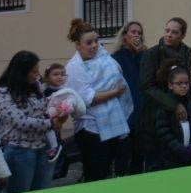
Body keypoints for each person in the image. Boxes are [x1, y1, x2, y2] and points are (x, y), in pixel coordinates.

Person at [66, 19, 133, 182]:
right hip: (91, 129)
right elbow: (89, 98)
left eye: (96, 41)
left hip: (111, 123)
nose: (95, 46)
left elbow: (115, 72)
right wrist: (115, 91)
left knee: (107, 173)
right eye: (89, 43)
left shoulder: (102, 57)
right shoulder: (74, 67)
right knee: (96, 175)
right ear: (78, 45)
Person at [0, 51, 61, 193]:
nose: (37, 74)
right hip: (20, 151)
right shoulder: (3, 93)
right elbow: (20, 121)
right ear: (21, 72)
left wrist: (58, 113)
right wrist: (50, 123)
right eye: (33, 71)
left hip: (43, 148)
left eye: (37, 70)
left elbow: (43, 110)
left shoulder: (35, 87)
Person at [143, 66, 191, 171]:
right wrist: (179, 149)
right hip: (170, 159)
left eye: (186, 83)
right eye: (179, 83)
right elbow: (163, 132)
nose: (184, 86)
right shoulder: (164, 107)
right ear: (170, 85)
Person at [110, 21, 145, 176]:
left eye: (139, 33)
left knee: (139, 158)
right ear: (125, 36)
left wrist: (141, 54)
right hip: (124, 115)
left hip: (141, 114)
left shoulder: (144, 55)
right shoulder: (116, 58)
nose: (137, 35)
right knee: (122, 157)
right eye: (133, 32)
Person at [41, 63, 67, 162]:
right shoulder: (46, 90)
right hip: (47, 118)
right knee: (50, 131)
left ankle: (55, 147)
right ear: (48, 77)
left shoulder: (64, 89)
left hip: (57, 118)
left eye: (62, 74)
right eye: (56, 74)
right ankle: (53, 147)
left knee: (55, 132)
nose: (60, 77)